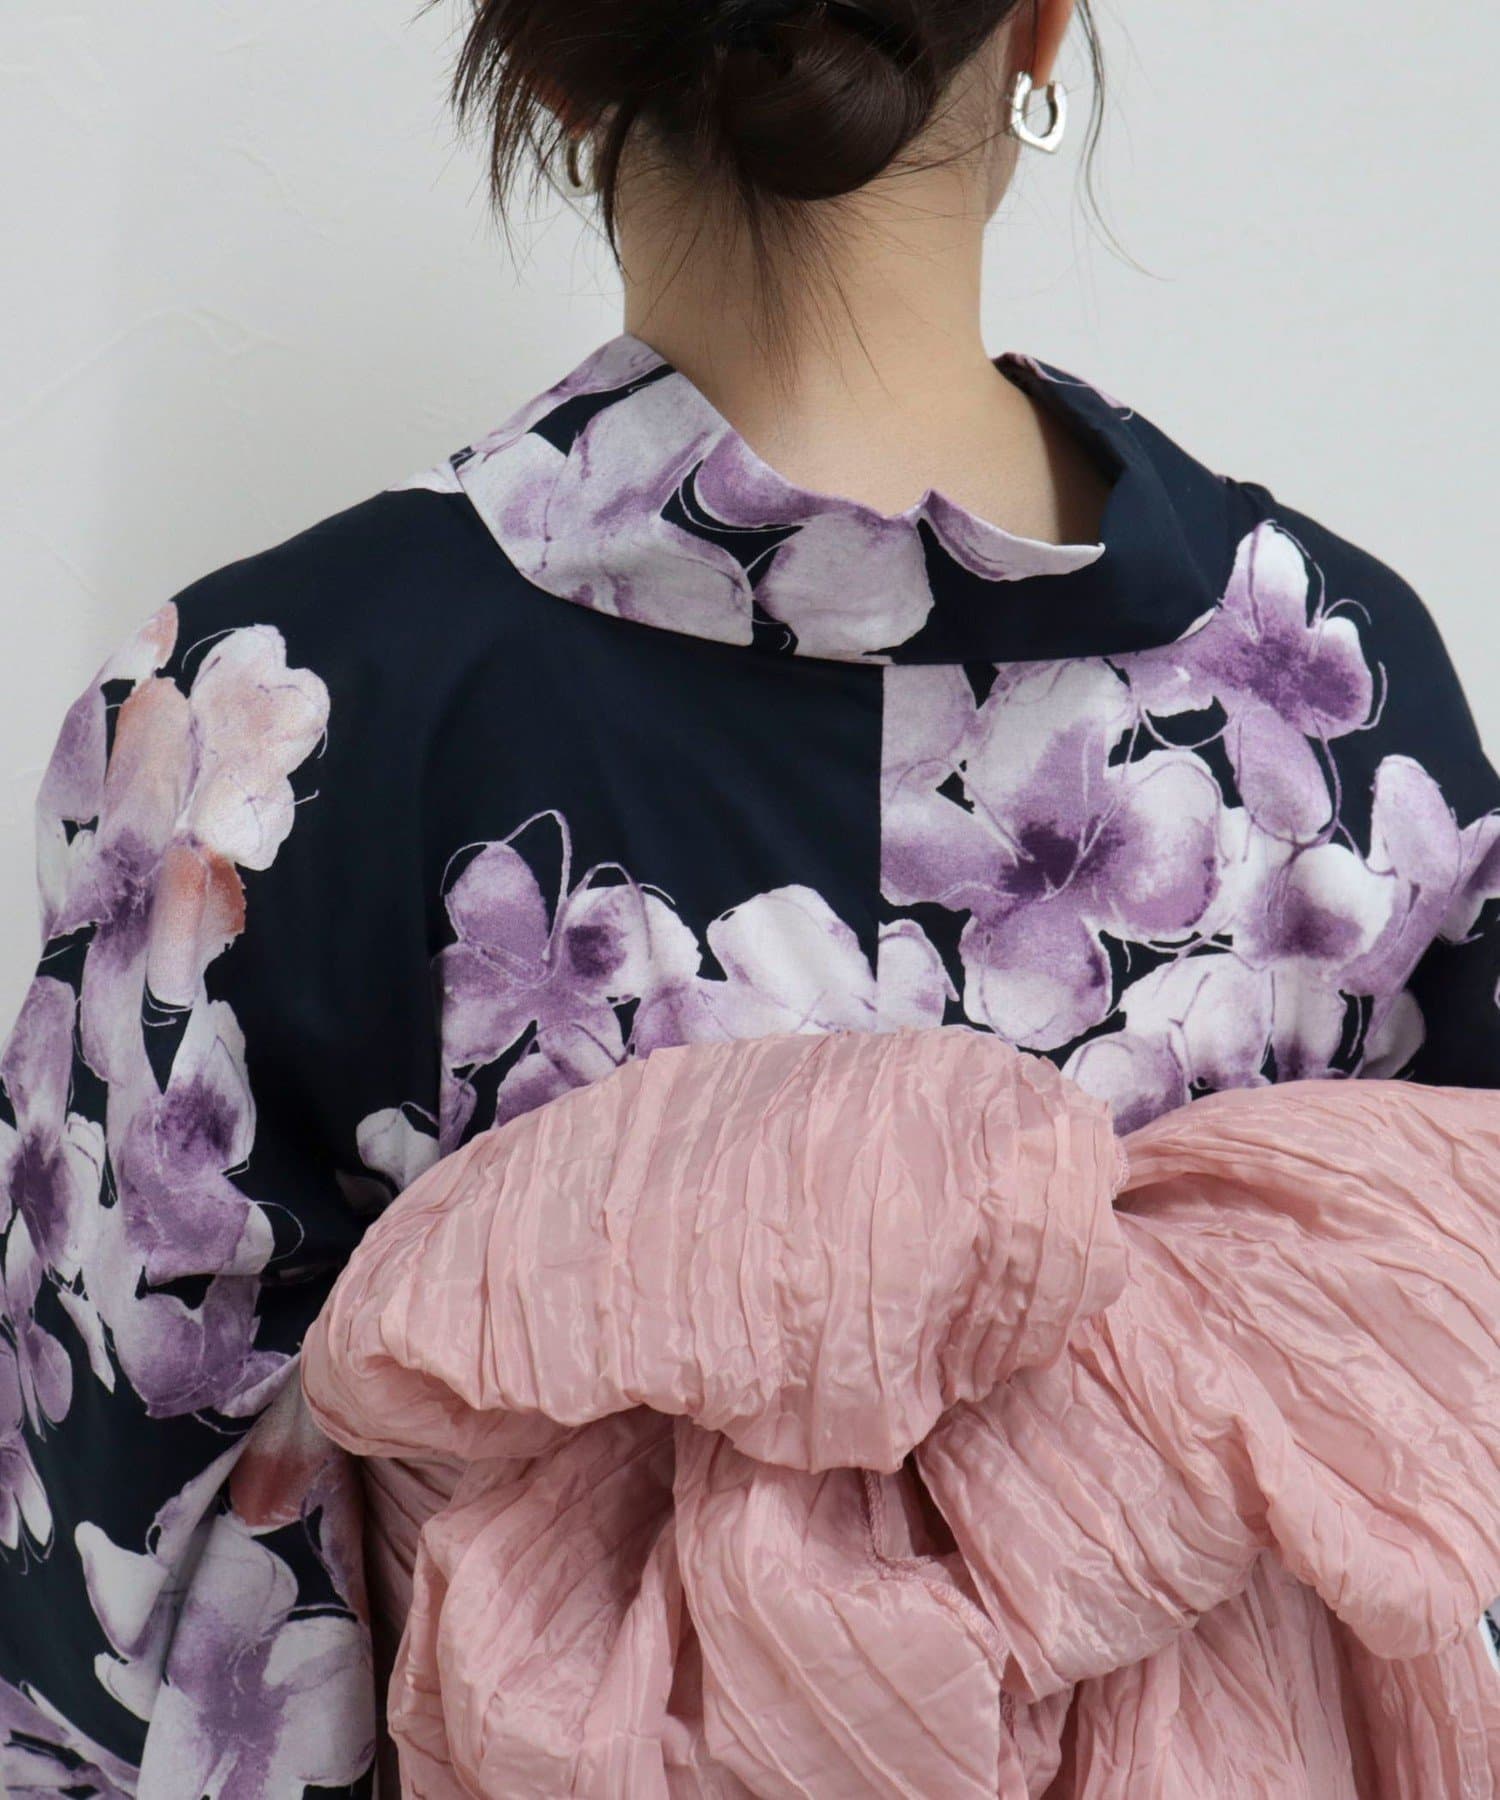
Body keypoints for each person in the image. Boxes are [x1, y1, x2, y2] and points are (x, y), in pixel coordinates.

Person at [1, 0, 1496, 1791]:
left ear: (549, 53)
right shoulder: (1340, 700)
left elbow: (116, 1642)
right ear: (1037, 27)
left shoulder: (256, 730)